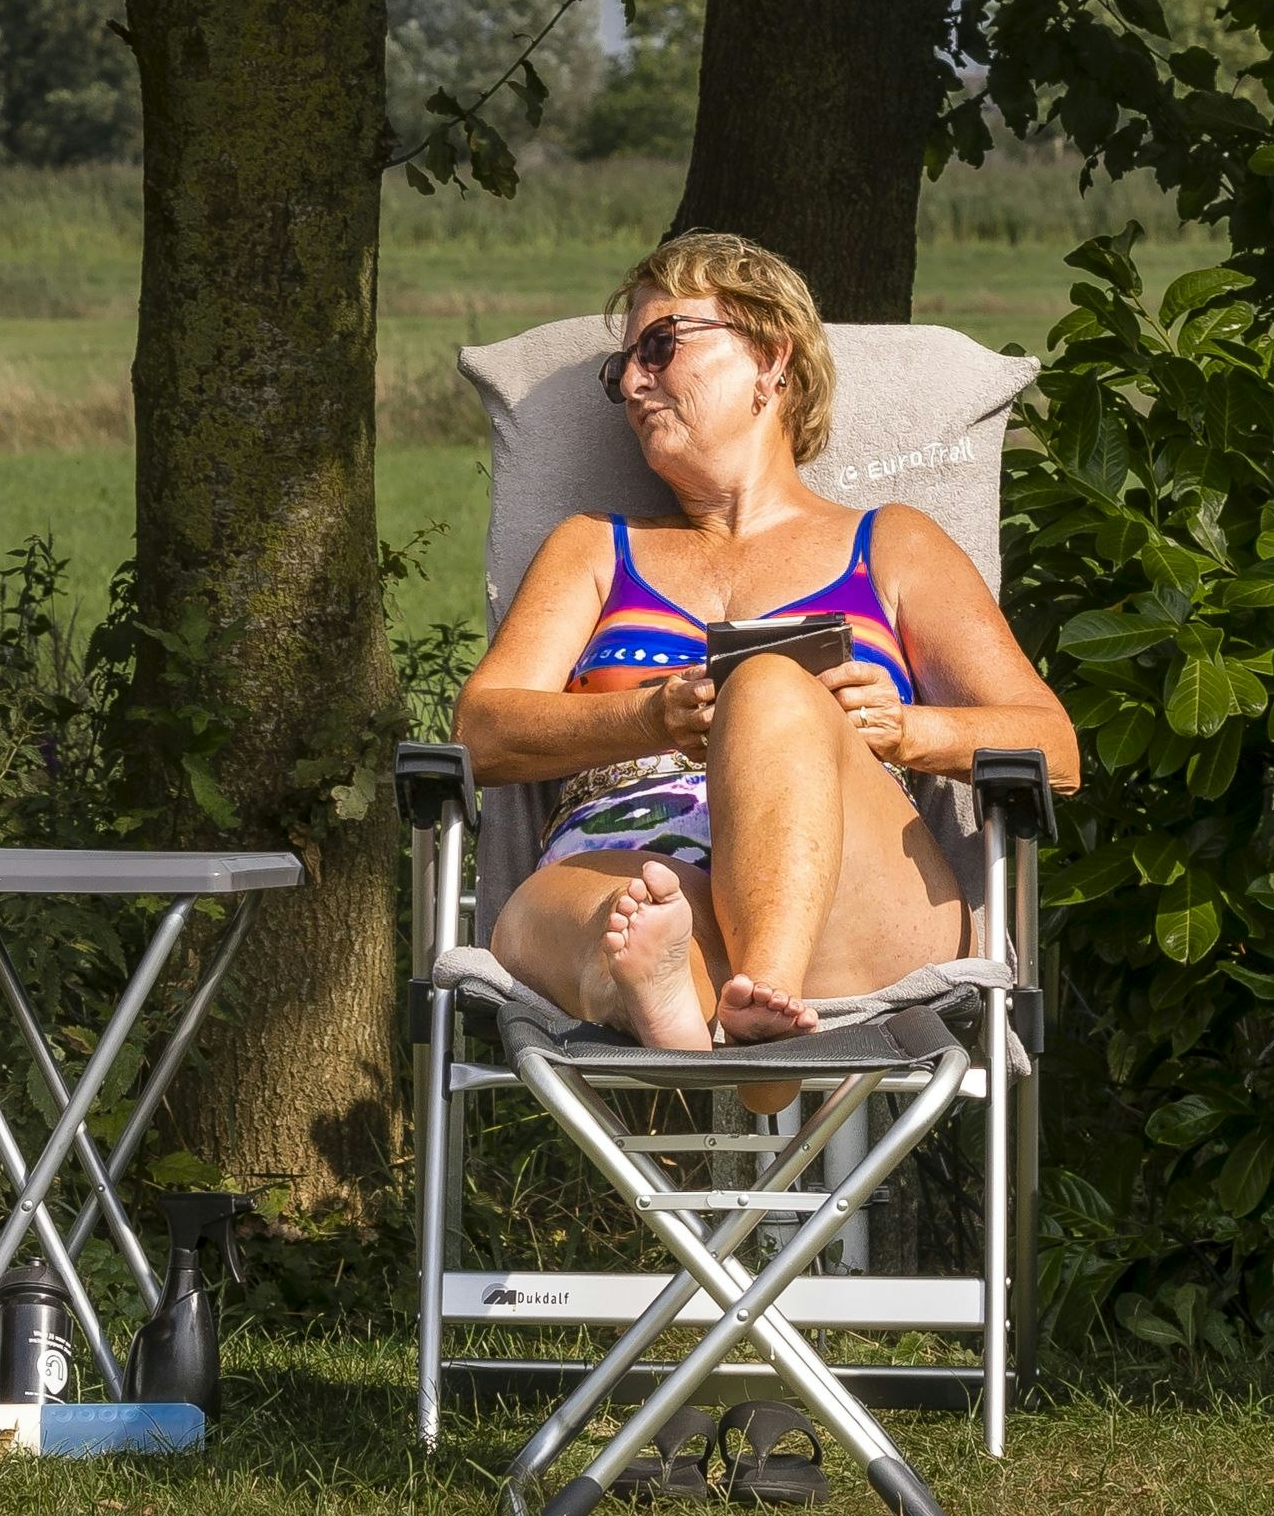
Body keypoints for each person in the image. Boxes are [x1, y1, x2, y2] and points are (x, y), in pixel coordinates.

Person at [446, 233, 1077, 1047]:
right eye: (621, 368)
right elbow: (480, 731)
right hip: (626, 872)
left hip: (848, 898)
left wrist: (907, 729)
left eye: (661, 346)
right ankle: (669, 993)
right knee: (631, 910)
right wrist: (647, 717)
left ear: (772, 358)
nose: (635, 381)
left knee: (773, 684)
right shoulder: (594, 548)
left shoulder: (891, 545)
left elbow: (1053, 746)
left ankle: (756, 998)